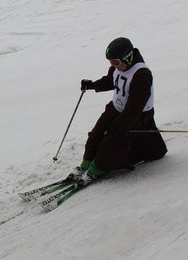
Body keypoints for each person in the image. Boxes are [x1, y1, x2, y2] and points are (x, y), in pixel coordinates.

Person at [66, 37, 167, 185]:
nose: (114, 66)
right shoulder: (118, 67)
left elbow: (135, 107)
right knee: (96, 133)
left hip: (137, 116)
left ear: (128, 57)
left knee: (113, 141)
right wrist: (92, 85)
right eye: (111, 62)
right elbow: (110, 81)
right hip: (115, 108)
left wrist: (119, 126)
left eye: (116, 62)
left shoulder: (142, 74)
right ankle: (85, 165)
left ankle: (96, 170)